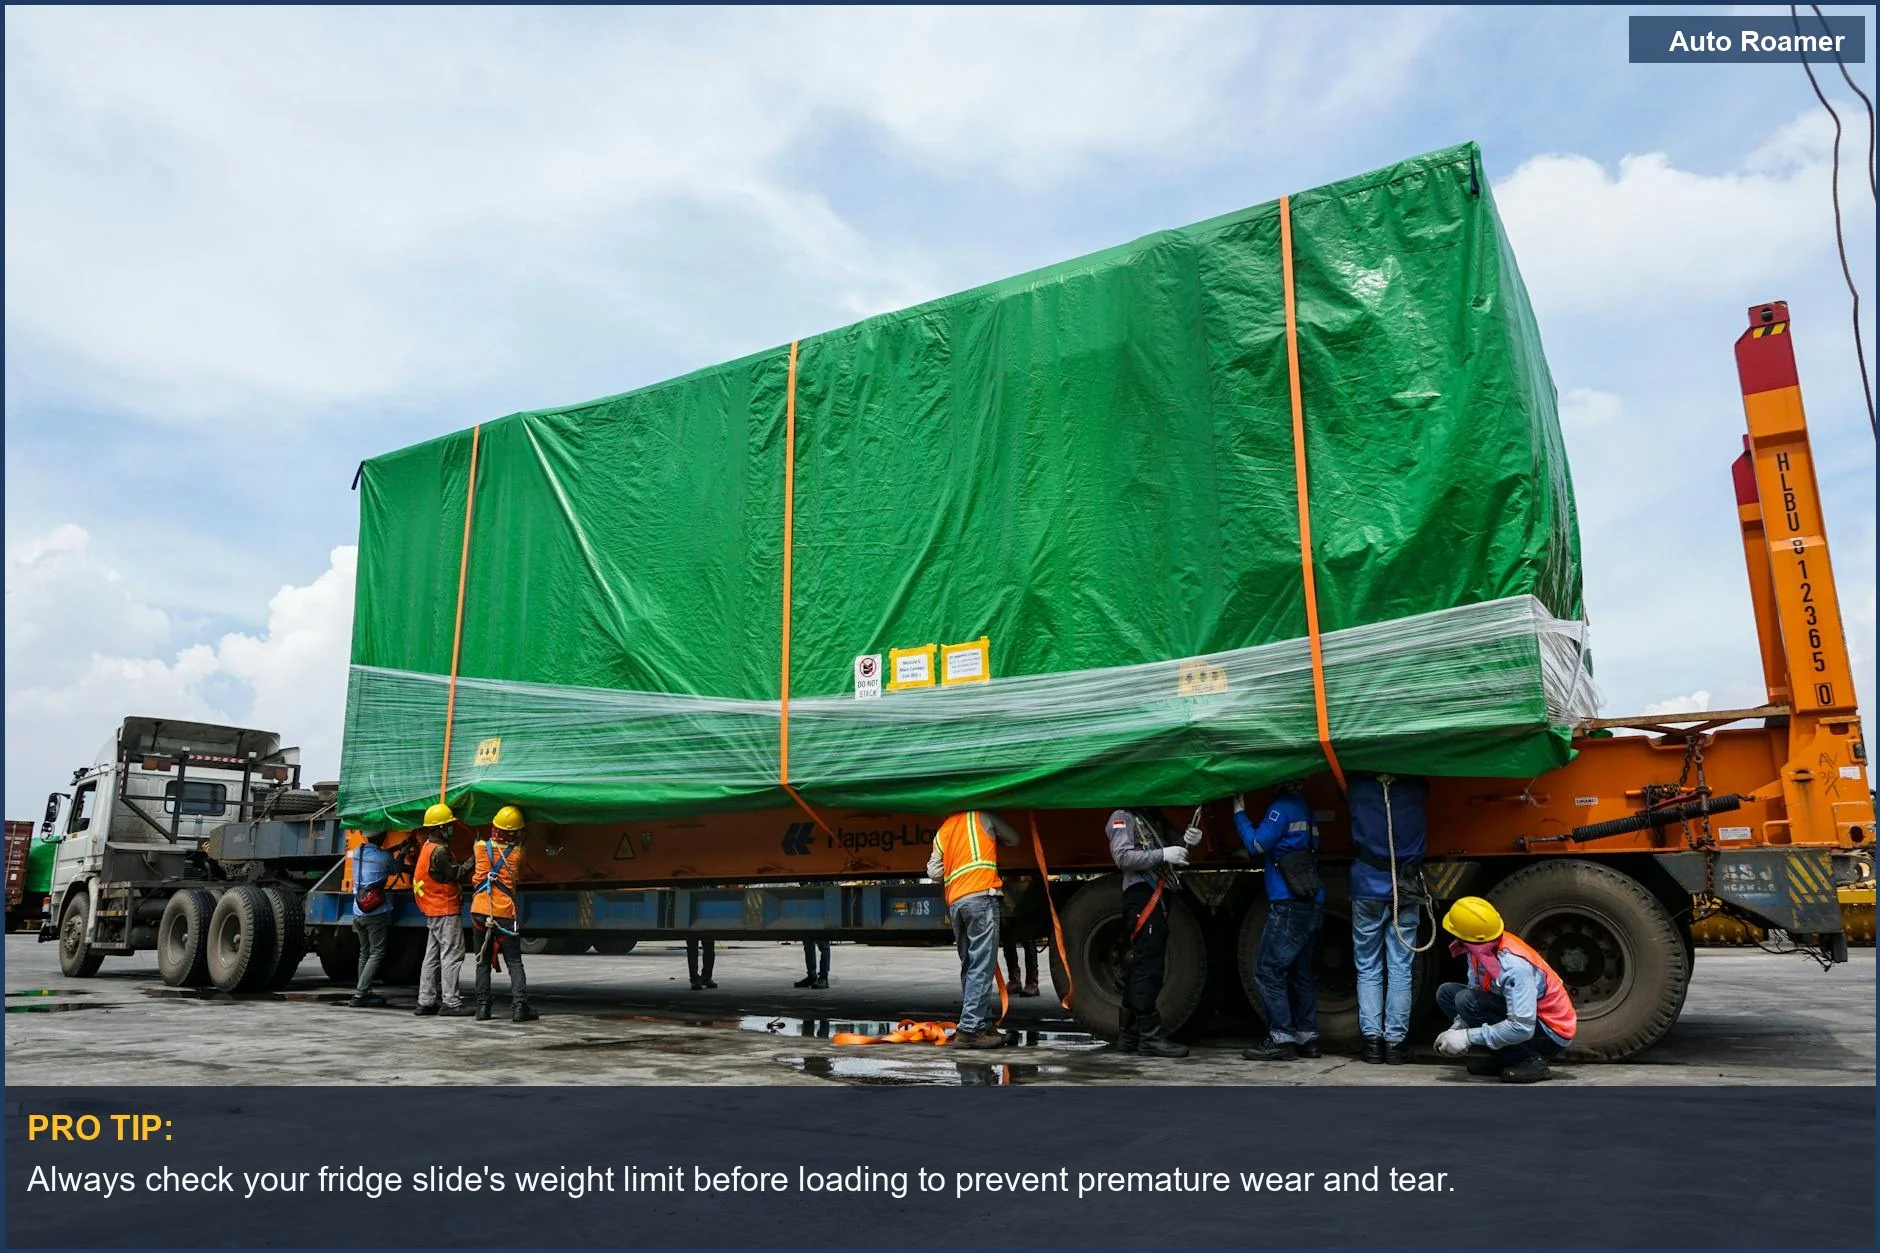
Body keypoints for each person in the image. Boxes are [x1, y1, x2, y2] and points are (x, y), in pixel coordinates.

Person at [1433, 897, 1577, 1083]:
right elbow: (1475, 988)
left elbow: (1522, 1027)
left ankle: (1529, 1060)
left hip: (1550, 1033)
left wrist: (1467, 1037)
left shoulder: (1514, 965)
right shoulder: (1476, 947)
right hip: (1527, 1019)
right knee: (1447, 993)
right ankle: (1505, 1056)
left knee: (1466, 1000)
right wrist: (1455, 1030)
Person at [1234, 781, 1324, 1061]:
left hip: (1287, 903)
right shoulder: (1306, 809)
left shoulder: (1280, 809)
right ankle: (1307, 1037)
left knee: (1268, 971)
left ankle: (1281, 1038)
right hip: (1311, 899)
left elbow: (1256, 843)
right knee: (1301, 972)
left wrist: (1239, 813)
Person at [1104, 808, 1199, 1058]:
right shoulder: (1122, 816)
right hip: (1141, 895)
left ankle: (1129, 1034)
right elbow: (1123, 857)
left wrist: (1188, 841)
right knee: (1149, 966)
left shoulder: (1153, 815)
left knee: (1140, 964)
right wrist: (1164, 854)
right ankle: (1149, 1036)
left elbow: (1175, 848)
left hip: (1156, 893)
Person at [1348, 773, 1429, 1064]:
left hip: (1367, 886)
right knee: (1400, 968)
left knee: (1368, 967)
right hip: (1405, 889)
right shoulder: (1415, 789)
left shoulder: (1359, 788)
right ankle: (1395, 1044)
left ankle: (1372, 1044)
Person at [925, 810, 1022, 1049]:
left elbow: (934, 873)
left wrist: (956, 863)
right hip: (981, 896)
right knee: (981, 965)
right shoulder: (982, 817)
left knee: (970, 965)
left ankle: (982, 1024)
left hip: (957, 903)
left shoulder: (944, 829)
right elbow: (1014, 839)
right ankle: (970, 1028)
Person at [472, 805, 536, 1023]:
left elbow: (479, 847)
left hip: (480, 910)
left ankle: (483, 1008)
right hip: (504, 913)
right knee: (514, 962)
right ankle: (520, 1007)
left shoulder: (480, 847)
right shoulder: (518, 853)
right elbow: (521, 875)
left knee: (482, 962)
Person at [412, 803, 473, 1017]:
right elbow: (457, 874)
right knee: (452, 955)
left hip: (432, 909)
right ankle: (451, 1002)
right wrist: (476, 855)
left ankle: (425, 1001)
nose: (451, 828)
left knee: (432, 956)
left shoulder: (427, 846)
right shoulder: (439, 851)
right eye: (448, 825)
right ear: (440, 828)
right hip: (445, 909)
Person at [348, 830, 395, 1008]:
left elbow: (378, 855)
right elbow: (395, 868)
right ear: (382, 837)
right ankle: (360, 994)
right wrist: (402, 852)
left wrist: (394, 849)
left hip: (358, 910)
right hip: (375, 912)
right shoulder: (384, 857)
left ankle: (364, 990)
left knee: (364, 952)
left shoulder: (358, 852)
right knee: (377, 953)